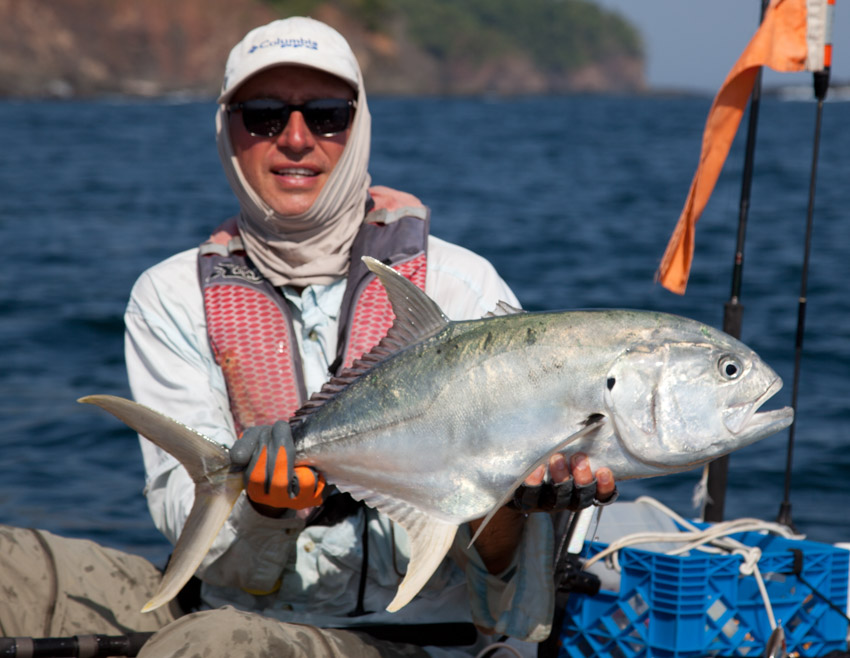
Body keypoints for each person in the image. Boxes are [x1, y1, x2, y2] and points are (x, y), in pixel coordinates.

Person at [0, 17, 615, 657]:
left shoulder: (462, 287)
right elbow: (199, 545)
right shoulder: (170, 294)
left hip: (418, 636)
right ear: (225, 130)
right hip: (223, 599)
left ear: (359, 126)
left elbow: (508, 600)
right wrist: (264, 513)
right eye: (263, 114)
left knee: (214, 646)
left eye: (326, 114)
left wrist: (518, 503)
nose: (296, 139)